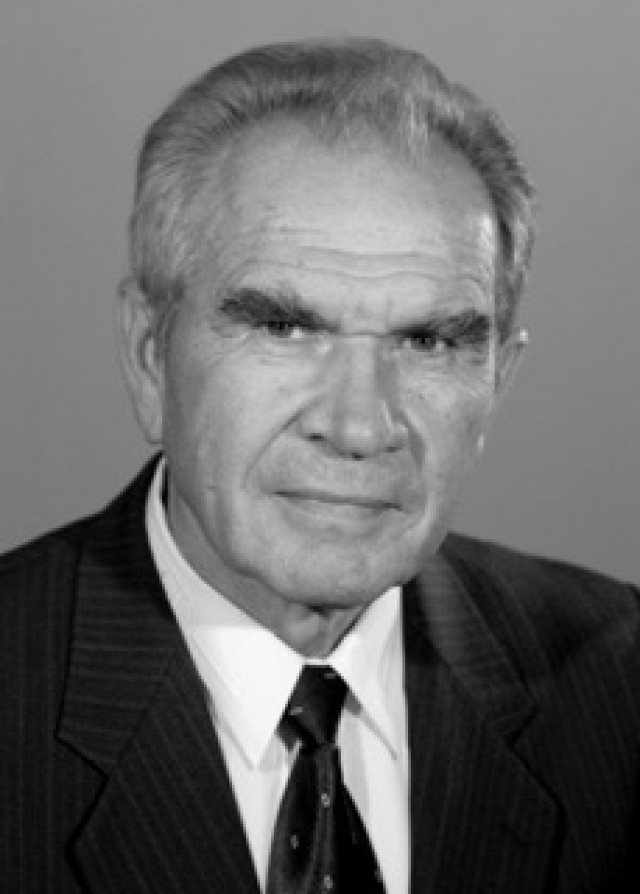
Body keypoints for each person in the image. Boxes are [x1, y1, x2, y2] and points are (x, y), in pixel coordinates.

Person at [1, 37, 638, 894]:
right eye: (284, 328)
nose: (359, 427)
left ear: (497, 381)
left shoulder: (618, 680)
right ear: (150, 356)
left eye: (428, 341)